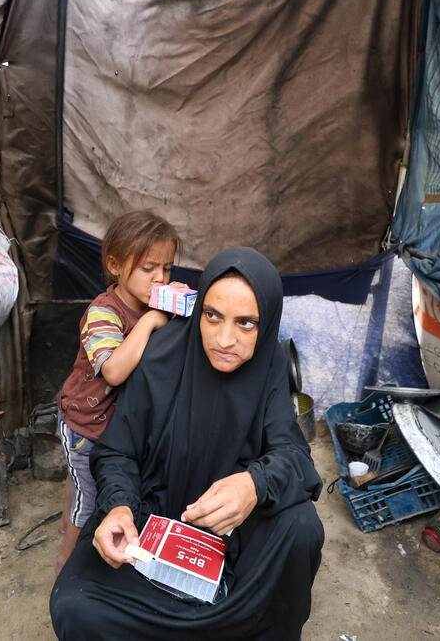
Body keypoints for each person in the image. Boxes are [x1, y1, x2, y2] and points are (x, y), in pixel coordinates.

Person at [49, 247, 324, 640]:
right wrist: (119, 507)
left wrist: (253, 485)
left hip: (234, 532)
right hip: (151, 521)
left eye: (246, 323)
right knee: (76, 606)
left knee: (301, 527)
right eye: (212, 316)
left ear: (266, 326)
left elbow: (295, 457)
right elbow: (116, 451)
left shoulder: (270, 367)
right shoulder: (161, 355)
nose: (224, 339)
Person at [54, 210, 184, 574]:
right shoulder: (103, 313)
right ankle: (68, 567)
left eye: (167, 268)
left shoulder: (154, 306)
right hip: (86, 427)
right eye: (148, 268)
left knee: (80, 486)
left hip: (116, 429)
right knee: (88, 505)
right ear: (115, 266)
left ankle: (66, 519)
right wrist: (152, 321)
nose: (160, 278)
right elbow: (112, 370)